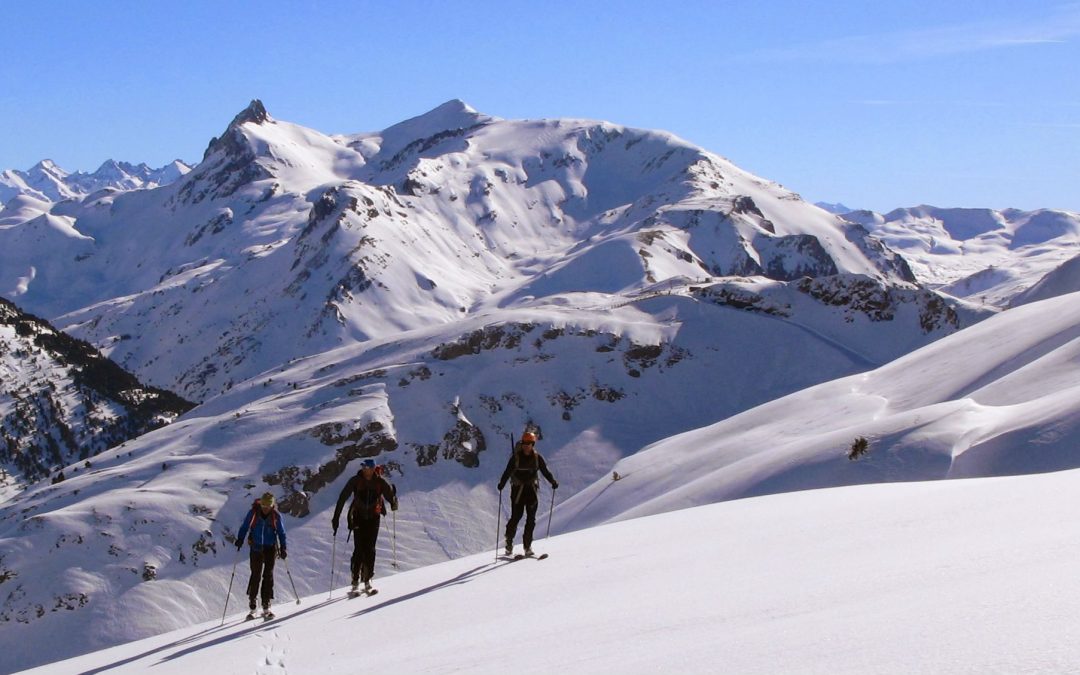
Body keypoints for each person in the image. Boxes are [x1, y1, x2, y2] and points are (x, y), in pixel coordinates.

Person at [331, 459, 398, 593]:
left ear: (373, 469)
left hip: (374, 518)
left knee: (370, 550)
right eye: (363, 467)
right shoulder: (355, 480)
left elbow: (389, 495)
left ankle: (367, 580)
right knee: (359, 550)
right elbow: (342, 497)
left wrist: (393, 503)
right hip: (358, 518)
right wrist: (336, 518)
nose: (364, 469)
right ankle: (355, 581)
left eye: (366, 467)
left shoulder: (380, 482)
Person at [498, 431, 557, 557]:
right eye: (524, 443)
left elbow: (545, 471)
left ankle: (527, 546)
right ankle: (509, 542)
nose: (526, 445)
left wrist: (552, 481)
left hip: (530, 491)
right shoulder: (516, 457)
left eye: (529, 443)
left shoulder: (537, 458)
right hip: (518, 492)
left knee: (531, 520)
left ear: (533, 444)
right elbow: (507, 472)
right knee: (516, 517)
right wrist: (502, 483)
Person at [236, 492, 287, 617]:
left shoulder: (275, 516)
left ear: (272, 505)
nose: (265, 508)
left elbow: (281, 533)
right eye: (263, 505)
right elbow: (245, 526)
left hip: (270, 549)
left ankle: (266, 603)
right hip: (256, 548)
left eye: (268, 505)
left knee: (268, 575)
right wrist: (240, 539)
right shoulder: (253, 513)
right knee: (256, 575)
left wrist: (283, 547)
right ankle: (253, 603)